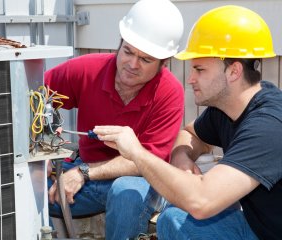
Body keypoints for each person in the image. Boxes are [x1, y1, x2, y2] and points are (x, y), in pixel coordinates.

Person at [93, 5, 282, 240]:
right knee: (174, 220)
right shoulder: (226, 109)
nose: (190, 79)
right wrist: (182, 159)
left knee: (193, 210)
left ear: (233, 72)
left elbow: (202, 201)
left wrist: (136, 152)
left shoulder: (269, 127)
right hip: (256, 227)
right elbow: (191, 133)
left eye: (199, 69)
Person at [44, 0, 184, 238]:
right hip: (83, 177)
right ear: (119, 43)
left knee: (126, 192)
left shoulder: (170, 92)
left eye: (146, 59)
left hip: (138, 182)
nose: (132, 64)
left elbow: (147, 161)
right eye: (128, 51)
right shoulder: (87, 70)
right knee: (24, 189)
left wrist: (82, 173)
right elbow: (31, 97)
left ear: (164, 62)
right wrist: (40, 153)